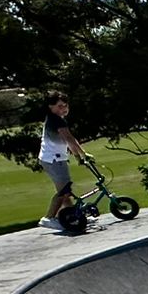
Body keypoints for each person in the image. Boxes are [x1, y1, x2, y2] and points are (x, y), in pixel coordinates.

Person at [37, 91, 87, 229]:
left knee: (65, 190)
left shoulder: (56, 118)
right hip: (54, 160)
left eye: (65, 105)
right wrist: (81, 155)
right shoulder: (56, 120)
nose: (64, 108)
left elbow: (70, 139)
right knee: (64, 191)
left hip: (53, 159)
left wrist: (80, 154)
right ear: (51, 106)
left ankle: (73, 216)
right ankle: (48, 218)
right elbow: (69, 139)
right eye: (60, 106)